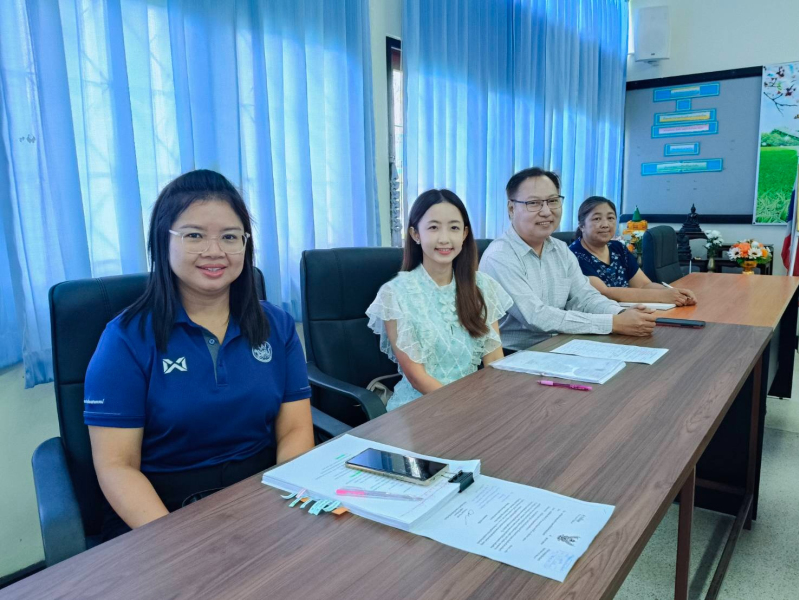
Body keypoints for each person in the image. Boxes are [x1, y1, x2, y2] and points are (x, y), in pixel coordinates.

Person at [84, 169, 313, 539]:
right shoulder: (126, 339)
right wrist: (176, 543)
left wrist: (286, 504)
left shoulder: (278, 326)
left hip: (260, 495)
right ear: (163, 241)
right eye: (194, 235)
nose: (214, 251)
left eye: (230, 236)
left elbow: (295, 429)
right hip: (160, 512)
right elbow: (117, 466)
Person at [479, 167, 657, 351]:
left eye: (552, 201)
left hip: (561, 345)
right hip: (515, 355)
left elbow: (585, 298)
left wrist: (623, 313)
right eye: (534, 203)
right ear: (511, 208)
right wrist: (613, 323)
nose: (546, 211)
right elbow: (537, 317)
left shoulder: (560, 249)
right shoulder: (499, 256)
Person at [366, 189, 513, 411]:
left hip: (474, 402)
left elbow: (493, 358)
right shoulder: (395, 295)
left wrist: (496, 404)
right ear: (415, 234)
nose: (444, 238)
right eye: (433, 227)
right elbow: (417, 378)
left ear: (464, 234)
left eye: (454, 228)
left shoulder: (482, 286)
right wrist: (466, 408)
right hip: (419, 408)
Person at [569, 196, 697, 306]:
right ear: (581, 225)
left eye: (610, 218)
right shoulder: (574, 255)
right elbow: (604, 292)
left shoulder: (618, 248)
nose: (605, 224)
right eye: (597, 219)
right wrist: (662, 296)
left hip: (628, 311)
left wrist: (674, 293)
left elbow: (644, 285)